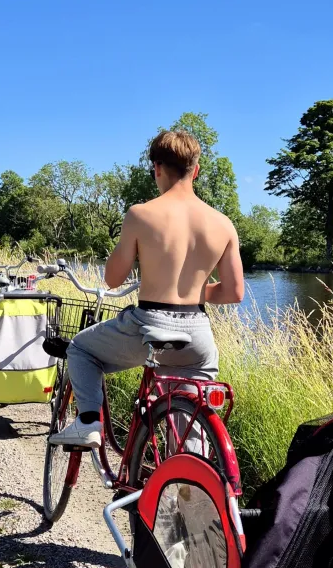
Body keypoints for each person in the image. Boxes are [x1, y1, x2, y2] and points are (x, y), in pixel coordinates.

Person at [50, 129, 244, 448]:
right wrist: (194, 290)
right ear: (195, 170)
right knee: (189, 436)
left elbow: (112, 279)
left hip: (149, 328)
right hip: (197, 336)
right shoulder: (222, 224)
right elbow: (234, 292)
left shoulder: (141, 215)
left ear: (157, 167)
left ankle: (88, 423)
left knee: (80, 349)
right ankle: (189, 490)